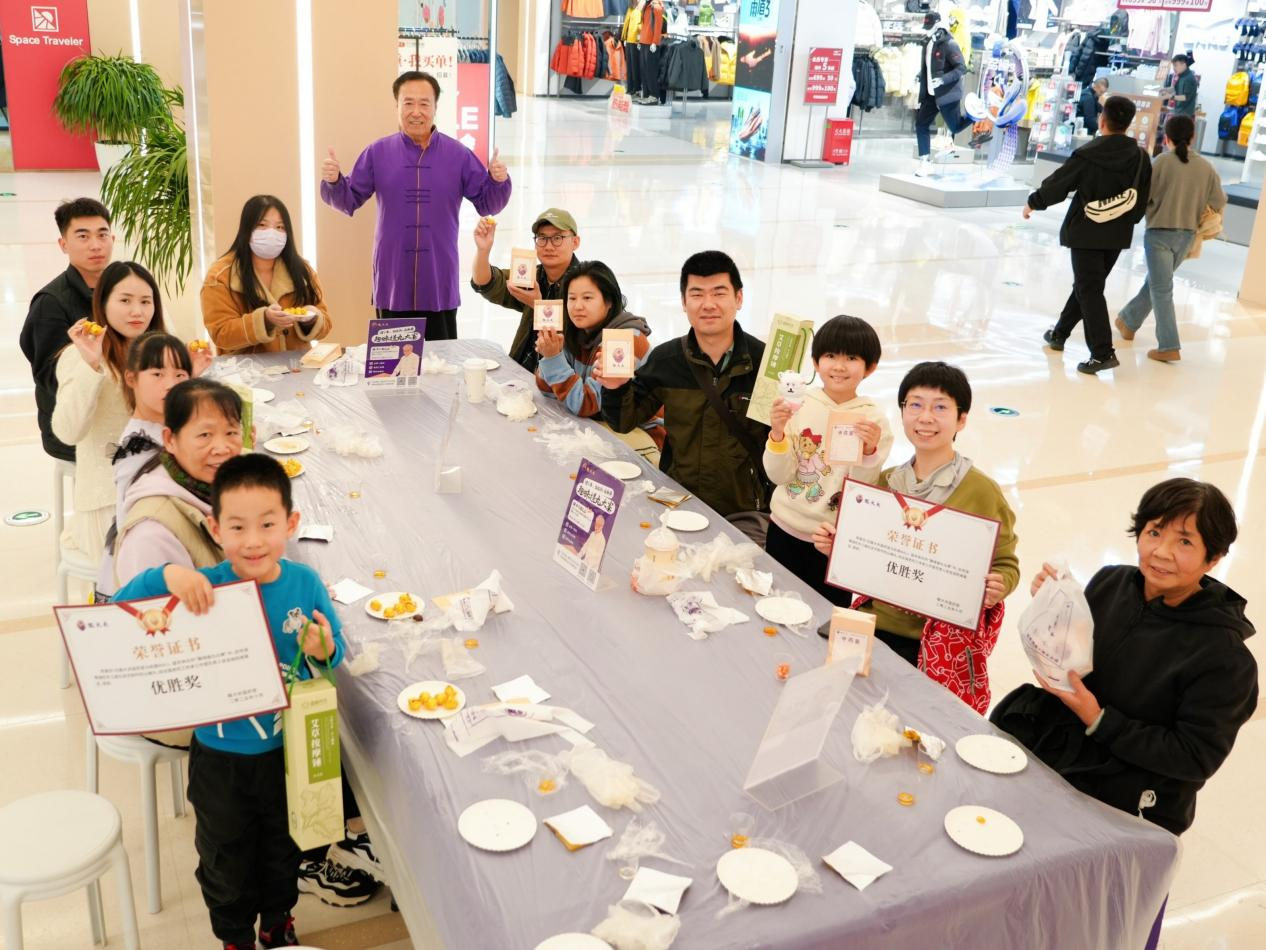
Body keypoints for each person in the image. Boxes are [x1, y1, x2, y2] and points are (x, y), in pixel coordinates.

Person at [113, 454, 349, 950]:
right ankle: (234, 936)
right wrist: (167, 577)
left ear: (291, 523)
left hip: (286, 754)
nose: (253, 540)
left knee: (283, 848)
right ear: (215, 528)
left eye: (267, 524)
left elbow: (335, 652)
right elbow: (120, 609)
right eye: (237, 526)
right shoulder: (207, 586)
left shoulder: (304, 584)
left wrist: (324, 648)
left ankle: (278, 921)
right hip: (219, 759)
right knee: (224, 855)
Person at [991, 478, 1257, 838]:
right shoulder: (1111, 582)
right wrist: (1055, 603)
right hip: (1066, 747)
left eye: (1184, 541)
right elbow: (1075, 654)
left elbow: (1195, 757)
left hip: (1130, 789)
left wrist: (1098, 718)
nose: (1161, 552)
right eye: (1154, 532)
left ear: (1214, 558)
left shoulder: (1225, 658)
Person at [811, 362, 1019, 712]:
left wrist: (1001, 584)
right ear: (903, 412)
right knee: (855, 715)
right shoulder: (888, 482)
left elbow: (1006, 561)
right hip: (877, 628)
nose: (925, 417)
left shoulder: (981, 491)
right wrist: (838, 544)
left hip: (938, 644)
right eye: (915, 404)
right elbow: (864, 545)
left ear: (962, 419)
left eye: (940, 407)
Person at [320, 70, 512, 340]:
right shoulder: (377, 152)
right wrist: (334, 181)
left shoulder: (457, 154)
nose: (416, 111)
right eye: (408, 103)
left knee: (442, 367)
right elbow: (349, 199)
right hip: (393, 280)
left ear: (435, 108)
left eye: (424, 103)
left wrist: (498, 180)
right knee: (393, 369)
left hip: (438, 279)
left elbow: (487, 202)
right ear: (397, 107)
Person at [599, 250, 771, 524]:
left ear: (738, 298)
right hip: (678, 502)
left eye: (719, 293)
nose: (708, 304)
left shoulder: (765, 363)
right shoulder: (667, 360)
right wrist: (615, 388)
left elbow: (781, 444)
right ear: (683, 302)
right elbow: (624, 421)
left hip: (745, 512)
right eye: (697, 294)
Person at [763, 315, 892, 611]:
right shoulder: (799, 405)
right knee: (773, 607)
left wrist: (870, 449)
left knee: (826, 617)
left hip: (833, 541)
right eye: (831, 355)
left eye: (851, 357)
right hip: (784, 528)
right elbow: (778, 474)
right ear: (815, 361)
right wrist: (778, 433)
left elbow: (863, 488)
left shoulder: (873, 420)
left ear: (869, 367)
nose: (839, 365)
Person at [1027, 95, 1152, 375]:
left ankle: (1102, 352)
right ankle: (1059, 334)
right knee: (1087, 285)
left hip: (1086, 231)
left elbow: (1061, 183)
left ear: (1102, 120)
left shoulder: (1089, 153)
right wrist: (1127, 221)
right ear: (1129, 123)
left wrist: (1034, 201)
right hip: (1117, 234)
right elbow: (1140, 201)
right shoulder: (1142, 158)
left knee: (1089, 288)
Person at [52, 261, 168, 563]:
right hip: (107, 496)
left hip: (163, 481)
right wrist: (91, 365)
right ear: (102, 303)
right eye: (125, 300)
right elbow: (67, 431)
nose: (137, 312)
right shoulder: (79, 356)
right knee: (151, 561)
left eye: (145, 301)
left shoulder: (163, 351)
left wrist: (186, 379)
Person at [106, 378, 242, 599]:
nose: (222, 448)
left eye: (231, 433)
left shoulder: (219, 485)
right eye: (204, 435)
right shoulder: (150, 534)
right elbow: (155, 624)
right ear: (169, 440)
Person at [1116, 115, 1226, 363]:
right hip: (1186, 237)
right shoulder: (1206, 167)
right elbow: (1219, 201)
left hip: (1159, 234)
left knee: (1161, 287)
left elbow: (1144, 197)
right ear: (1193, 137)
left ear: (1166, 138)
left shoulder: (1161, 162)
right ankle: (1128, 321)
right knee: (1158, 283)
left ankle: (1169, 344)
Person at [20, 198, 115, 461]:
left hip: (118, 410)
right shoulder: (50, 303)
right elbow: (51, 378)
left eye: (102, 235)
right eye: (82, 236)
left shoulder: (123, 290)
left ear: (113, 239)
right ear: (64, 245)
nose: (95, 245)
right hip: (73, 428)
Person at [536, 261, 663, 449]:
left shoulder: (624, 340)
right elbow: (548, 390)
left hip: (638, 434)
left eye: (587, 298)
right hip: (594, 426)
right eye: (572, 298)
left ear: (609, 301)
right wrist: (549, 354)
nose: (577, 306)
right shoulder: (577, 333)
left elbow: (586, 404)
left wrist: (553, 359)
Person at [201, 195, 332, 354]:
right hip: (245, 373)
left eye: (280, 227)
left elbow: (325, 325)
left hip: (297, 370)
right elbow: (221, 334)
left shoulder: (303, 270)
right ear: (246, 229)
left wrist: (312, 318)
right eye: (262, 225)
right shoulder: (220, 275)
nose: (272, 233)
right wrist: (264, 321)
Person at [471, 208, 583, 372]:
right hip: (522, 374)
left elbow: (577, 338)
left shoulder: (587, 284)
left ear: (575, 242)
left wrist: (538, 305)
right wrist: (483, 250)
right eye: (542, 238)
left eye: (557, 238)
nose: (549, 246)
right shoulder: (534, 275)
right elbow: (486, 282)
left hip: (561, 383)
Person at [914, 12, 973, 177]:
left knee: (955, 127)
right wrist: (921, 75)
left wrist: (943, 80)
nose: (928, 30)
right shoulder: (927, 43)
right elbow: (929, 65)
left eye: (930, 26)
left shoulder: (950, 44)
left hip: (947, 94)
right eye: (926, 27)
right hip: (931, 96)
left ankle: (974, 115)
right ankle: (924, 162)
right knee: (921, 124)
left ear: (938, 24)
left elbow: (961, 68)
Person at [1168, 54, 1199, 118]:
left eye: (1176, 65)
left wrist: (1171, 96)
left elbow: (1185, 97)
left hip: (1185, 115)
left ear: (1184, 65)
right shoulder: (1181, 76)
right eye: (1173, 66)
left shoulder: (1189, 78)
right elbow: (1176, 89)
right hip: (1178, 112)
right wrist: (1164, 90)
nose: (1174, 68)